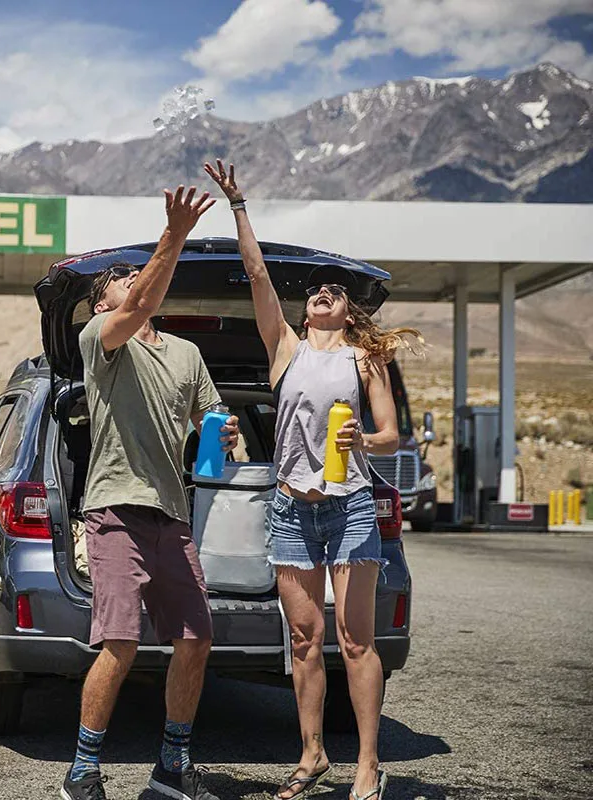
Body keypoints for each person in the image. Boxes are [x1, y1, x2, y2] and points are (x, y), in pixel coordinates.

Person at [205, 160, 422, 800]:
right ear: (306, 313)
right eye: (316, 291)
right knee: (304, 639)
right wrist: (238, 206)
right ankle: (312, 754)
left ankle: (368, 764)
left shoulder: (365, 358)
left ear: (348, 312)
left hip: (349, 505)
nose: (323, 292)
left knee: (355, 641)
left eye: (335, 291)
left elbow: (392, 436)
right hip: (291, 509)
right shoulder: (285, 350)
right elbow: (257, 274)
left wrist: (362, 442)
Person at [62, 184, 240, 800]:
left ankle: (172, 764)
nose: (131, 281)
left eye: (132, 274)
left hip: (172, 515)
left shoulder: (188, 354)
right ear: (101, 303)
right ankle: (82, 769)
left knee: (196, 640)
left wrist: (225, 432)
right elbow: (139, 304)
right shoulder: (100, 340)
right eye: (120, 279)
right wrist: (175, 234)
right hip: (115, 510)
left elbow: (210, 419)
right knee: (120, 642)